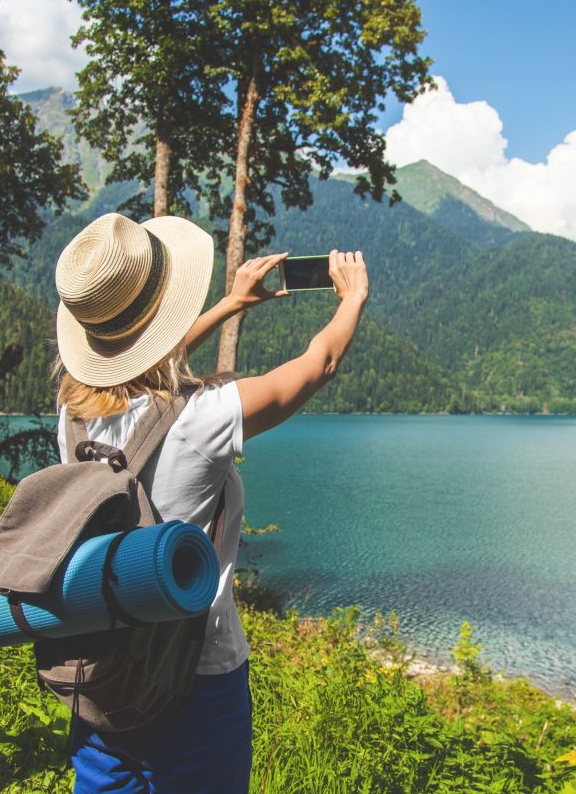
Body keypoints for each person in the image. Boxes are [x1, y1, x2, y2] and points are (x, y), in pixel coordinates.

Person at [52, 211, 368, 793]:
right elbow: (317, 363)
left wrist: (230, 305)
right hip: (196, 673)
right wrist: (351, 299)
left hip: (101, 664)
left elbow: (134, 373)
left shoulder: (72, 416)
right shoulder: (203, 420)